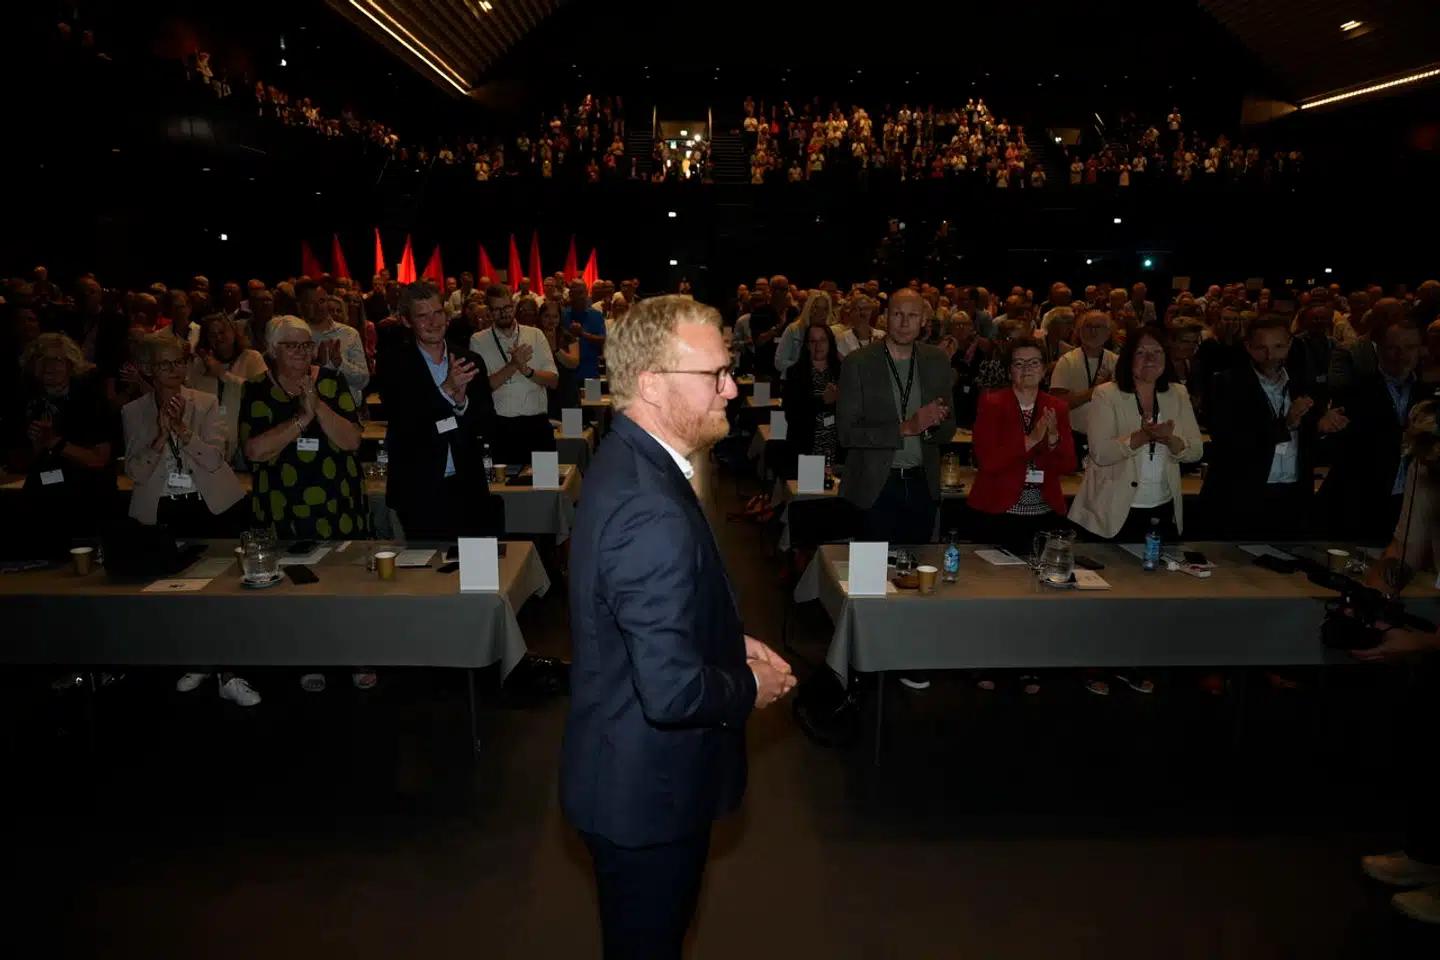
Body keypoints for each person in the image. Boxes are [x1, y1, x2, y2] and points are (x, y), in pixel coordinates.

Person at [561, 295, 795, 958]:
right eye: (714, 374)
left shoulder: (636, 460)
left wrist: (721, 637)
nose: (731, 388)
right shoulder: (650, 506)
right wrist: (749, 686)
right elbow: (667, 692)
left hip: (631, 779)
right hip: (645, 798)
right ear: (651, 384)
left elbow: (642, 611)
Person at [1201, 315, 1344, 540]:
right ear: (1248, 347)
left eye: (1278, 347)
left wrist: (1321, 430)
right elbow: (1230, 443)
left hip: (1293, 496)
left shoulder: (1304, 385)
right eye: (1261, 348)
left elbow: (1311, 449)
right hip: (1242, 497)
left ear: (1289, 345)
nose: (1270, 356)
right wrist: (1284, 425)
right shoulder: (1226, 385)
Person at [379, 282, 498, 541]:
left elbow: (487, 423)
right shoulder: (393, 363)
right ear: (407, 321)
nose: (433, 322)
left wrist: (460, 403)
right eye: (423, 316)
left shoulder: (469, 360)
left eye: (438, 313)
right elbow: (405, 424)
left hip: (467, 487)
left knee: (472, 575)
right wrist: (445, 390)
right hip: (418, 489)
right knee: (426, 577)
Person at [836, 288, 955, 545]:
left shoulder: (936, 361)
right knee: (871, 579)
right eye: (898, 314)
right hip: (875, 485)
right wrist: (906, 428)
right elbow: (846, 434)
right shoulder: (858, 362)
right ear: (885, 317)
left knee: (917, 575)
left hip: (922, 483)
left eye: (912, 316)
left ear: (923, 320)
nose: (904, 323)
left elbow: (949, 428)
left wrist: (931, 425)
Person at [1069, 325, 1204, 541]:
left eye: (1157, 351)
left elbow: (1196, 451)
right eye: (1141, 352)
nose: (1150, 358)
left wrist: (1169, 440)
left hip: (1163, 507)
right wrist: (1142, 437)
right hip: (1111, 512)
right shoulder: (1107, 395)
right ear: (1128, 358)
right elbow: (1101, 454)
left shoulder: (1177, 393)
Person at [238, 316, 367, 540]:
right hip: (281, 503)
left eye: (307, 344)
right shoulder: (256, 389)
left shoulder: (333, 381)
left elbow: (352, 441)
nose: (302, 351)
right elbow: (254, 452)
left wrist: (316, 404)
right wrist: (303, 418)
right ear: (272, 349)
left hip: (336, 501)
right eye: (291, 345)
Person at [122, 332, 246, 535]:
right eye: (164, 364)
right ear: (148, 369)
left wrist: (182, 430)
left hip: (209, 502)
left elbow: (215, 460)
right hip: (160, 506)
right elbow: (135, 472)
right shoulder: (133, 411)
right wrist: (160, 439)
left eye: (179, 362)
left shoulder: (206, 403)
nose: (174, 369)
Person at [3, 333, 115, 543]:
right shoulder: (22, 402)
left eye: (57, 359)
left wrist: (55, 442)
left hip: (87, 495)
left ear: (71, 365)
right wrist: (36, 448)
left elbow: (98, 459)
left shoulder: (91, 401)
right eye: (42, 359)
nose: (49, 366)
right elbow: (14, 462)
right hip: (40, 496)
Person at [1319, 319, 1423, 544]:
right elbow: (1341, 449)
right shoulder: (1354, 391)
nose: (1401, 355)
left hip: (1407, 507)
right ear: (1379, 349)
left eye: (1410, 348)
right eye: (1393, 347)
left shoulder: (1429, 395)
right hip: (1356, 505)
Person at [968, 336, 1077, 550]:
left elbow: (1069, 465)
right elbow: (987, 461)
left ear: (1044, 370)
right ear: (1010, 372)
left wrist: (1053, 438)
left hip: (1044, 510)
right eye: (1019, 363)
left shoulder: (1057, 407)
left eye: (1034, 362)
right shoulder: (992, 403)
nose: (1027, 368)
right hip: (998, 509)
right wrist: (1032, 439)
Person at [470, 284, 560, 465]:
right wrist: (513, 365)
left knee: (545, 488)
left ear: (513, 306)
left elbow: (553, 381)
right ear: (489, 311)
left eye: (507, 308)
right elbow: (483, 387)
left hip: (537, 426)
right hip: (501, 428)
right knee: (505, 489)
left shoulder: (535, 335)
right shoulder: (479, 340)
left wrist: (526, 370)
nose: (503, 313)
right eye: (497, 309)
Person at [188, 313, 267, 464]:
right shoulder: (200, 364)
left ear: (233, 332)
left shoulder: (251, 358)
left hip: (242, 440)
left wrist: (223, 374)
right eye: (212, 335)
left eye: (222, 332)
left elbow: (259, 392)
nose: (219, 338)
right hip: (208, 440)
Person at [1048, 310, 1117, 459]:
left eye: (1098, 327)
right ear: (1079, 331)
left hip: (1109, 439)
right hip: (1075, 438)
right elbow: (1058, 403)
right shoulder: (1067, 361)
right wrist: (1096, 390)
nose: (1093, 331)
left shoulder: (1117, 362)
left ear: (1108, 332)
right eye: (1088, 326)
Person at [781, 323, 843, 478]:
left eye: (822, 340)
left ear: (830, 343)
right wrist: (822, 401)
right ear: (807, 345)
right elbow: (792, 413)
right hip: (806, 444)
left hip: (836, 447)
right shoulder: (795, 373)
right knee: (811, 496)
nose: (818, 345)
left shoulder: (842, 371)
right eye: (813, 341)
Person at [303, 285, 369, 404]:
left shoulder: (349, 334)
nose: (318, 307)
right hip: (309, 409)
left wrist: (340, 363)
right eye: (311, 302)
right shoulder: (296, 335)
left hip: (346, 411)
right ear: (301, 305)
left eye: (322, 301)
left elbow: (362, 381)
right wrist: (316, 364)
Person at [774, 291, 841, 377]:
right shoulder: (793, 330)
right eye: (816, 307)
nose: (820, 312)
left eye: (825, 308)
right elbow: (779, 362)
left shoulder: (830, 332)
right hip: (796, 382)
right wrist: (807, 368)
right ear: (809, 308)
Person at [564, 280, 607, 381]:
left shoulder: (596, 315)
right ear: (570, 294)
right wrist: (569, 334)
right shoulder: (562, 314)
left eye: (581, 292)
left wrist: (582, 334)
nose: (579, 296)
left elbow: (603, 339)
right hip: (567, 375)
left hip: (591, 373)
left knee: (593, 397)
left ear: (587, 293)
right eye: (575, 292)